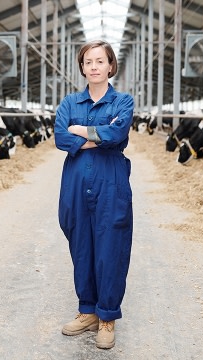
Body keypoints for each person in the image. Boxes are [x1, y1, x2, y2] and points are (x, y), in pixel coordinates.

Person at [54, 40, 134, 350]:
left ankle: (107, 317)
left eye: (100, 61)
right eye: (88, 62)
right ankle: (87, 310)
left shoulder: (123, 101)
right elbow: (60, 137)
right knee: (81, 244)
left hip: (111, 181)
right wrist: (97, 136)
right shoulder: (69, 102)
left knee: (110, 246)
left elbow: (117, 134)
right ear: (83, 68)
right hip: (75, 181)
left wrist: (80, 130)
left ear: (111, 66)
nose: (95, 67)